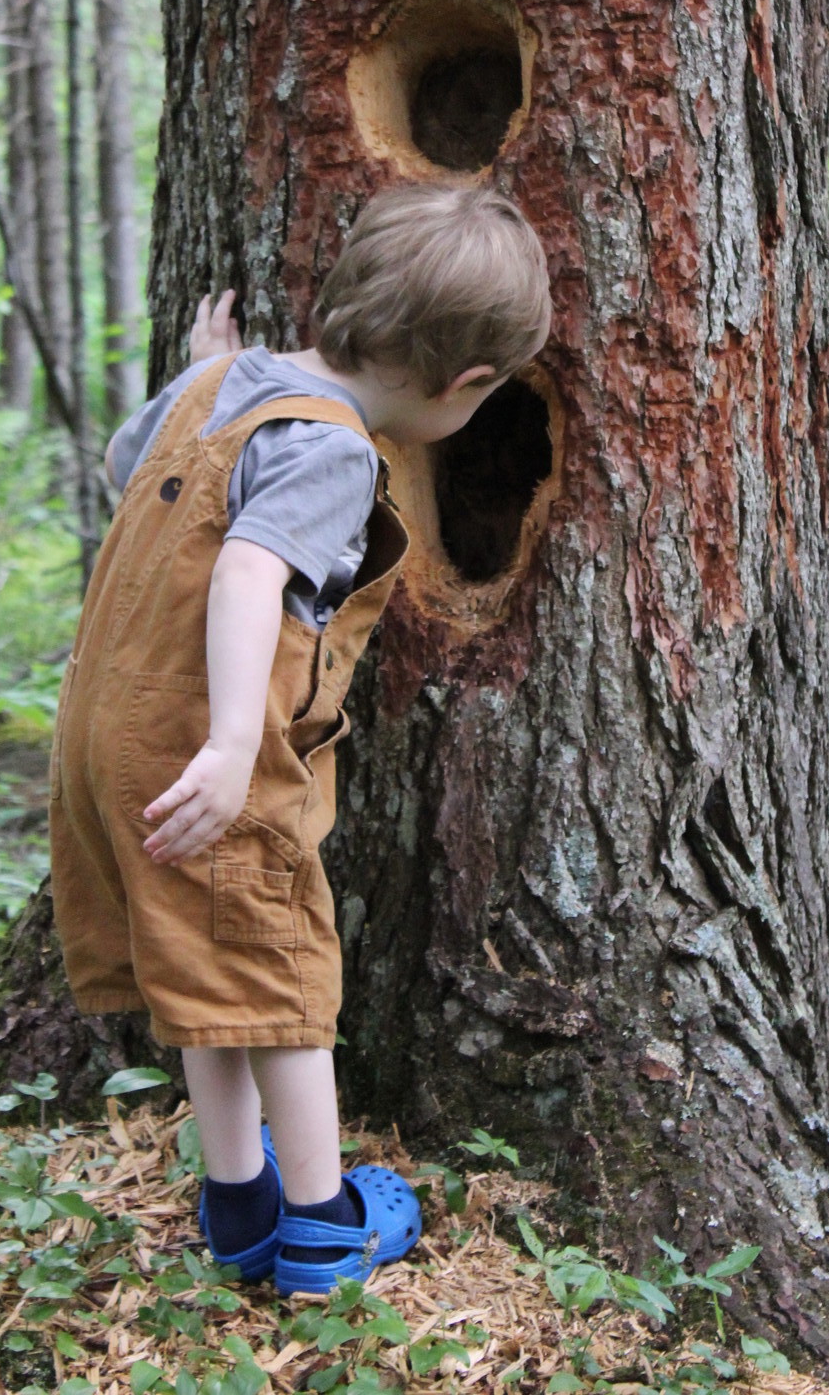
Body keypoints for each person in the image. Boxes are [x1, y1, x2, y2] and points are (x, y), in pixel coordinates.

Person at [49, 183, 552, 1294]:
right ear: (467, 384)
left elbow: (128, 470)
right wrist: (234, 743)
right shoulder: (332, 451)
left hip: (101, 729)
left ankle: (239, 1206)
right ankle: (324, 1230)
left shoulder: (226, 382)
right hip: (198, 741)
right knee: (279, 974)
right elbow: (245, 567)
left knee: (204, 968)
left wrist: (196, 365)